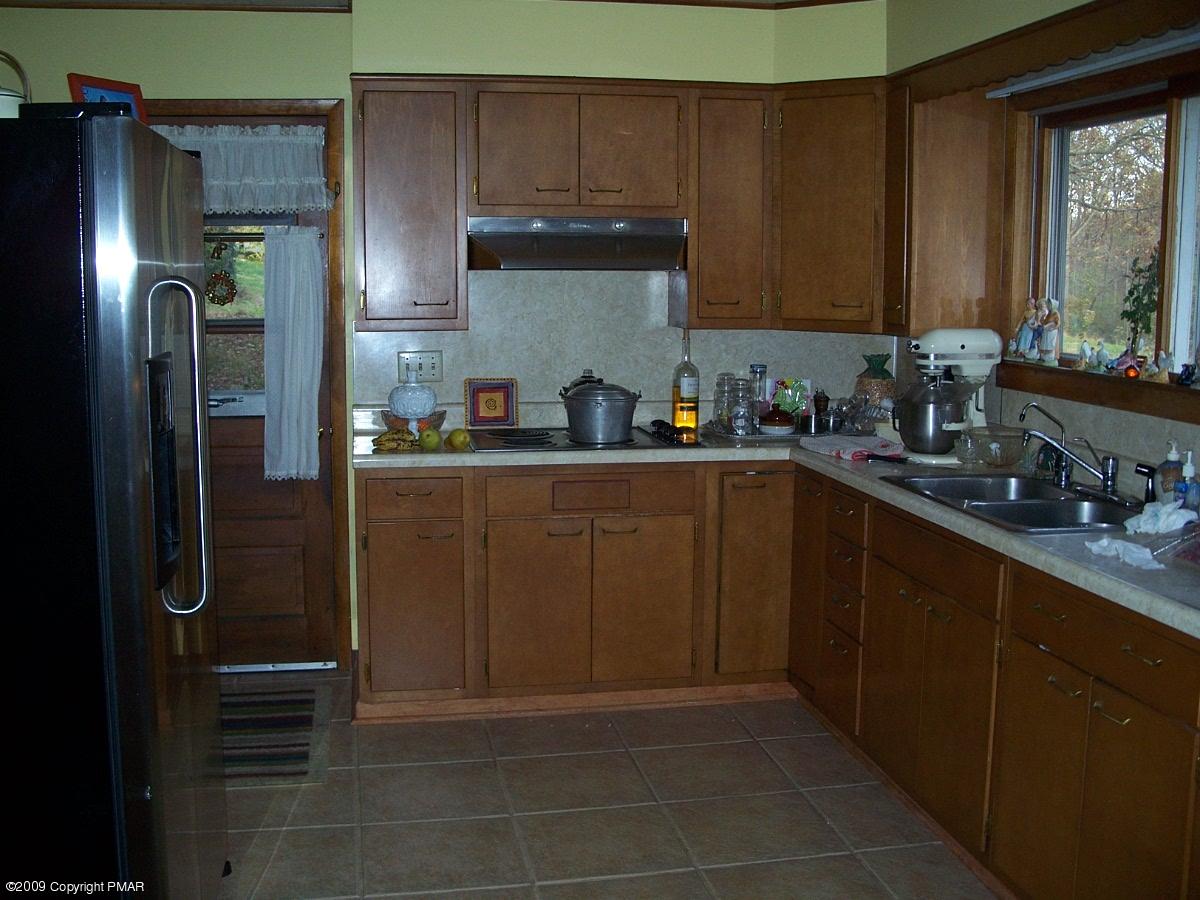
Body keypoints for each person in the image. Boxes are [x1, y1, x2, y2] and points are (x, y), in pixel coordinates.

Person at [1038, 298, 1060, 365]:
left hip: (1052, 333)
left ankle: (1050, 357)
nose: (1048, 306)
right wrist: (1042, 317)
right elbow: (1043, 322)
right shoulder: (1048, 314)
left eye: (1050, 304)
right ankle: (1044, 356)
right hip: (1046, 332)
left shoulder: (1056, 313)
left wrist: (1052, 327)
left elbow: (1058, 323)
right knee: (1044, 344)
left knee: (1050, 345)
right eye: (1048, 304)